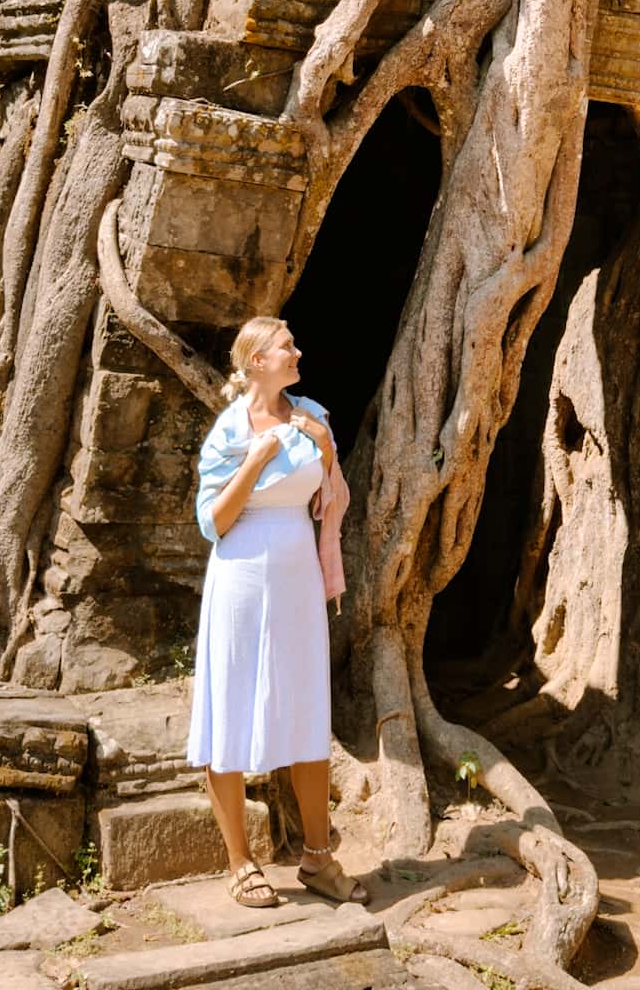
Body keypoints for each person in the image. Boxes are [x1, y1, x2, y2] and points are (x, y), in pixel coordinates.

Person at [188, 314, 368, 909]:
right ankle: (240, 862)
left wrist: (325, 451)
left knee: (306, 708)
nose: (298, 352)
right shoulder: (229, 431)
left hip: (296, 578)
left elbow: (331, 499)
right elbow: (212, 522)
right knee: (232, 709)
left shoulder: (312, 415)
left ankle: (317, 858)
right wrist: (256, 460)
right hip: (240, 577)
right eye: (286, 346)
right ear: (257, 361)